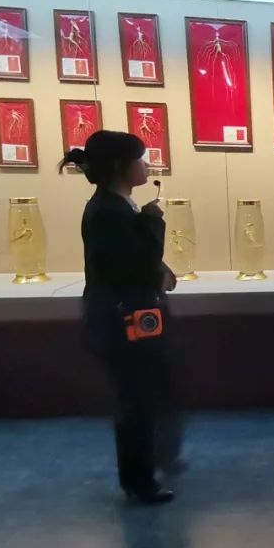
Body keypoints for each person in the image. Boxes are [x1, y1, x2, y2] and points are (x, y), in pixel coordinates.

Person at [60, 131, 181, 505]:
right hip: (121, 321)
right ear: (119, 166)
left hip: (128, 316)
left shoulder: (115, 207)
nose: (146, 166)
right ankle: (139, 481)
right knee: (136, 400)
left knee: (146, 394)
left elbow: (131, 260)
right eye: (140, 159)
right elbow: (135, 267)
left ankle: (148, 467)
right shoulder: (108, 212)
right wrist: (153, 221)